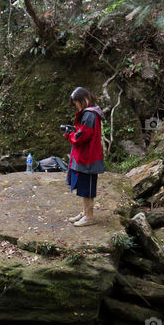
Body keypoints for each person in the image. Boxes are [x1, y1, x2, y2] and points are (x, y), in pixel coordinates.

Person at [64, 87, 105, 227]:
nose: (76, 106)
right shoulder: (92, 112)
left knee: (87, 189)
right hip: (86, 156)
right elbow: (83, 133)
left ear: (83, 100)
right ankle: (84, 212)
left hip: (88, 159)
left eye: (76, 103)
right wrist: (74, 131)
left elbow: (81, 138)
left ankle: (89, 216)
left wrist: (69, 134)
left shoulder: (89, 115)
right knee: (83, 187)